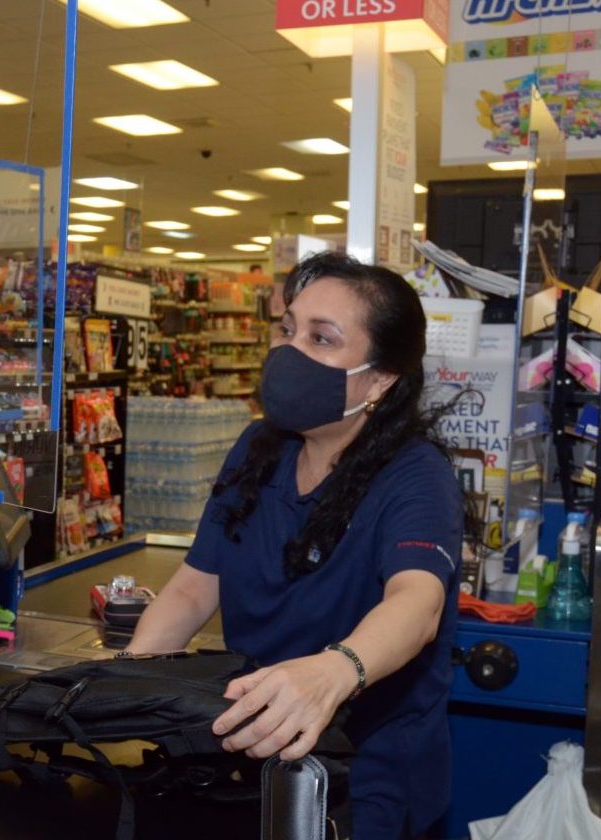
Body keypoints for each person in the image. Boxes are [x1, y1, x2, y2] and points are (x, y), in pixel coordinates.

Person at [125, 252, 467, 840]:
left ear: (381, 379)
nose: (290, 352)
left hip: (367, 772)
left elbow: (418, 604)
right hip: (254, 745)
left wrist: (336, 671)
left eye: (322, 338)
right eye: (288, 330)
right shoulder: (260, 448)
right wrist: (122, 687)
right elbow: (191, 588)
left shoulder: (416, 476)